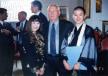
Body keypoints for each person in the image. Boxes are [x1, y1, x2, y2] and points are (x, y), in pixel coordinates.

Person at [62, 6, 97, 76]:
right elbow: (63, 46)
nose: (77, 17)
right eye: (75, 15)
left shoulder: (88, 30)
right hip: (69, 64)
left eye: (80, 15)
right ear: (72, 16)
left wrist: (81, 63)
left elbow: (90, 50)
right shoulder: (69, 30)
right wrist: (64, 61)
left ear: (84, 16)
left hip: (82, 65)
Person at [44, 4, 74, 76]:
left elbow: (73, 44)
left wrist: (71, 60)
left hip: (62, 59)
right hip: (48, 59)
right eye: (49, 11)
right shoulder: (43, 26)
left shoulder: (68, 25)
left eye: (54, 11)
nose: (51, 13)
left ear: (59, 12)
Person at [0, 8, 17, 76]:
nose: (7, 15)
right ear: (0, 14)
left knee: (9, 68)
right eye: (5, 14)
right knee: (1, 68)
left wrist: (19, 30)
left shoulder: (7, 24)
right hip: (1, 51)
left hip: (10, 51)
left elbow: (14, 32)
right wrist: (2, 31)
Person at [15, 11, 28, 76]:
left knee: (27, 63)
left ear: (24, 16)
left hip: (27, 47)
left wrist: (20, 31)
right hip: (19, 46)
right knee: (23, 63)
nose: (18, 17)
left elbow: (28, 35)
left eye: (19, 16)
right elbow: (17, 37)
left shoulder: (29, 23)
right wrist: (17, 50)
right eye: (18, 16)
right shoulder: (17, 24)